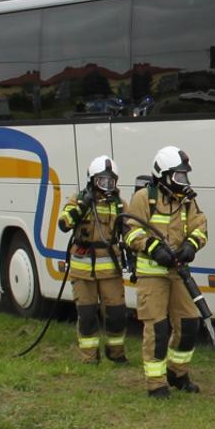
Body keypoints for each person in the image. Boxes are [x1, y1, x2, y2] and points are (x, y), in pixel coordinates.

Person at [123, 146, 209, 398]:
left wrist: (191, 246)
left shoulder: (187, 200)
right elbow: (130, 231)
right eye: (178, 176)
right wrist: (151, 247)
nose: (183, 182)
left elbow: (200, 227)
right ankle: (156, 384)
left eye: (185, 176)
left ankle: (177, 372)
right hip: (151, 275)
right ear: (163, 175)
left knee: (190, 323)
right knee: (158, 330)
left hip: (178, 272)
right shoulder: (143, 198)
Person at [56, 155, 129, 363]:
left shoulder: (120, 205)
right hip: (82, 270)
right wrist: (82, 207)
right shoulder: (78, 200)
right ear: (92, 180)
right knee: (86, 316)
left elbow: (131, 232)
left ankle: (116, 354)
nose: (107, 186)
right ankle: (89, 358)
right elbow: (64, 224)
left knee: (116, 314)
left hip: (110, 270)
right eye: (102, 181)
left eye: (111, 181)